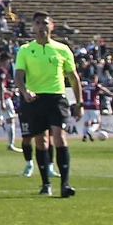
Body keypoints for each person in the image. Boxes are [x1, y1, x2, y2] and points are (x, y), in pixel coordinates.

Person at [16, 12, 83, 197]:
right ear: (33, 27)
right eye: (38, 23)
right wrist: (25, 91)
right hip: (35, 99)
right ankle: (46, 184)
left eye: (45, 23)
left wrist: (79, 103)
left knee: (59, 137)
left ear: (52, 26)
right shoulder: (25, 50)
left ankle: (65, 184)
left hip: (56, 98)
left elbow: (74, 78)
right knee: (41, 141)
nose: (41, 26)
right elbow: (18, 75)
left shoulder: (62, 49)